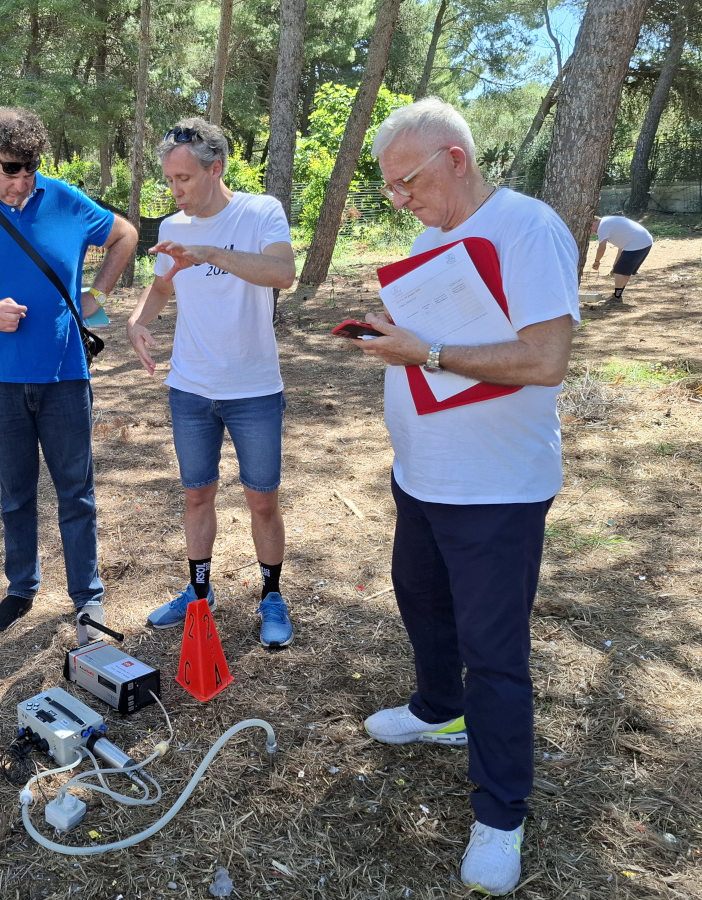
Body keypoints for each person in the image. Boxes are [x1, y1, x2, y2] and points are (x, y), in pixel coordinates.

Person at [348, 98, 578, 895]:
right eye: (390, 189)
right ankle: (439, 708)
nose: (401, 199)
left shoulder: (530, 229)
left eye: (406, 181)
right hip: (425, 475)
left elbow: (546, 359)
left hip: (497, 488)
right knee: (423, 602)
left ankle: (502, 812)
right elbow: (436, 352)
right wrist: (396, 340)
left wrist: (430, 349)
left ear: (455, 158)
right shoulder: (429, 238)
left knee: (496, 652)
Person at [0, 107, 138, 637]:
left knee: (77, 492)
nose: (23, 180)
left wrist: (97, 296)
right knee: (16, 494)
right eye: (12, 168)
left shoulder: (63, 199)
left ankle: (87, 598)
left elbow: (126, 235)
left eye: (31, 167)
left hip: (66, 377)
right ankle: (21, 587)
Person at [125, 118, 296, 649]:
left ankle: (271, 595)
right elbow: (161, 288)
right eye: (169, 180)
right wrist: (138, 321)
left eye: (184, 179)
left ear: (215, 168)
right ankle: (199, 593)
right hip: (192, 389)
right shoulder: (173, 227)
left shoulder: (260, 212)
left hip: (253, 390)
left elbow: (282, 273)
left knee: (262, 500)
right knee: (197, 495)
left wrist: (210, 253)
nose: (175, 191)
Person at [591, 214, 653, 302]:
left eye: (591, 230)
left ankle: (616, 298)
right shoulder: (608, 222)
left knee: (619, 272)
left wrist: (597, 261)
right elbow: (622, 245)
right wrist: (616, 262)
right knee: (624, 271)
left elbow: (602, 248)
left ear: (593, 223)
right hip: (645, 242)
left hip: (637, 244)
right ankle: (618, 295)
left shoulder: (602, 227)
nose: (592, 233)